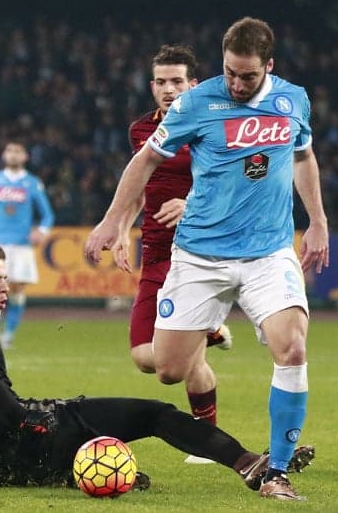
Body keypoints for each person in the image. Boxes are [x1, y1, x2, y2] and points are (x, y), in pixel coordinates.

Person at [85, 17, 329, 501]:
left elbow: (303, 156)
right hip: (199, 256)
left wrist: (317, 221)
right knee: (168, 369)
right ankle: (207, 330)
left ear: (269, 66)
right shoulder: (198, 102)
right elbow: (146, 160)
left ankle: (275, 470)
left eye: (248, 76)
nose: (237, 84)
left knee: (292, 347)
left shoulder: (293, 100)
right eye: (230, 73)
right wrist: (114, 220)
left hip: (268, 251)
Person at [0, 242, 314, 495]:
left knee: (89, 446)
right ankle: (252, 464)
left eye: (5, 278)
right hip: (22, 440)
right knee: (154, 415)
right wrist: (19, 415)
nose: (5, 288)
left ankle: (74, 474)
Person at [114, 45, 233, 464]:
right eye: (162, 82)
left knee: (172, 370)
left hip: (199, 253)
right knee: (144, 359)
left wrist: (191, 203)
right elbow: (138, 186)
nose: (169, 89)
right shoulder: (140, 131)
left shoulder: (214, 126)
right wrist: (120, 229)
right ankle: (205, 332)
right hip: (156, 252)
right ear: (152, 86)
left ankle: (208, 440)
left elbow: (233, 187)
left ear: (193, 85)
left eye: (177, 81)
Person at [0, 141, 54, 348]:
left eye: (17, 151)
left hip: (22, 244)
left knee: (15, 290)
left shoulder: (32, 183)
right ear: (4, 155)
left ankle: (9, 334)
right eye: (9, 151)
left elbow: (47, 214)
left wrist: (41, 232)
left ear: (25, 156)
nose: (13, 155)